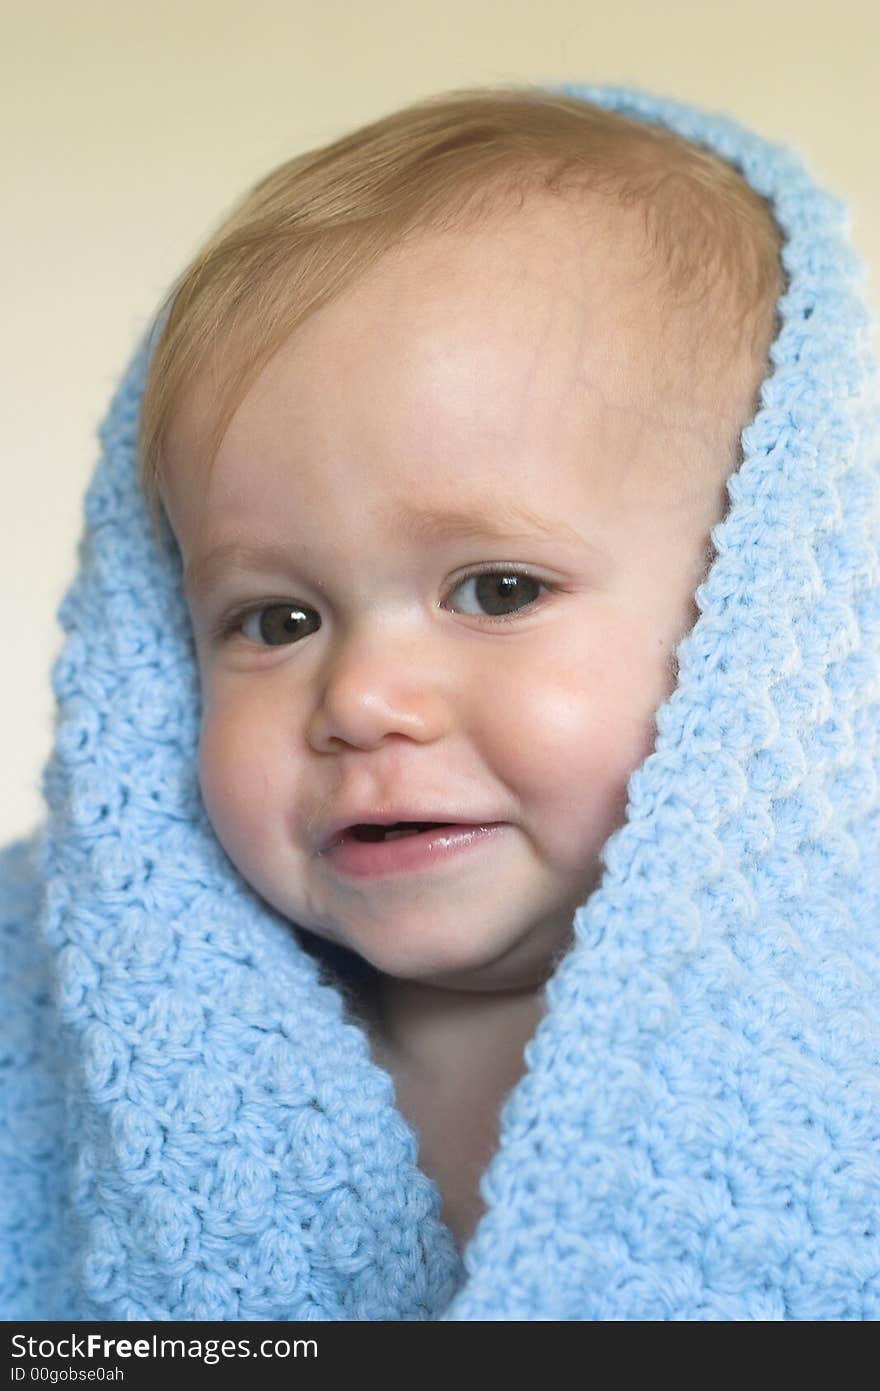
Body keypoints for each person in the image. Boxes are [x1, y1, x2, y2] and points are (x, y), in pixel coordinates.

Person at [2, 82, 878, 1321]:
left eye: (497, 587)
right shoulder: (55, 1017)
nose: (359, 697)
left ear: (760, 615)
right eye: (275, 619)